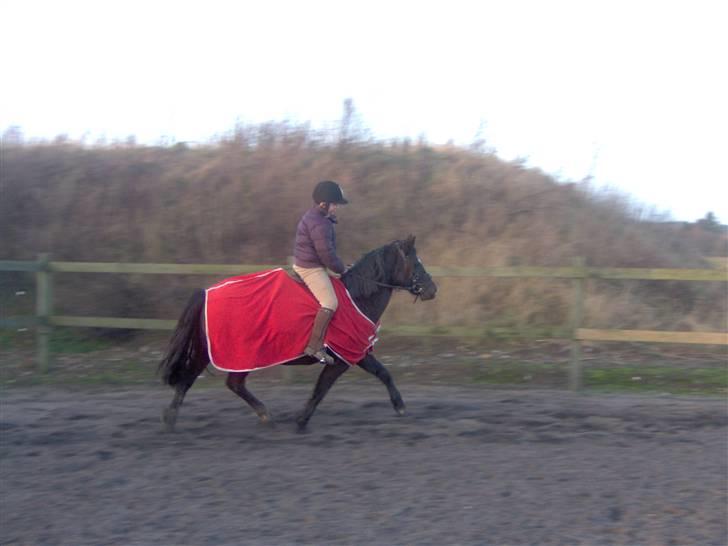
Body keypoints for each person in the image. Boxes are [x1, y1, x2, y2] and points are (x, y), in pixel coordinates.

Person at [293, 180, 349, 364]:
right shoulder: (320, 223)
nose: (336, 208)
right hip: (311, 268)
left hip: (313, 263)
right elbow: (327, 254)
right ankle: (314, 347)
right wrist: (341, 269)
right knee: (330, 302)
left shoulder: (318, 218)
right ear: (324, 204)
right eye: (334, 204)